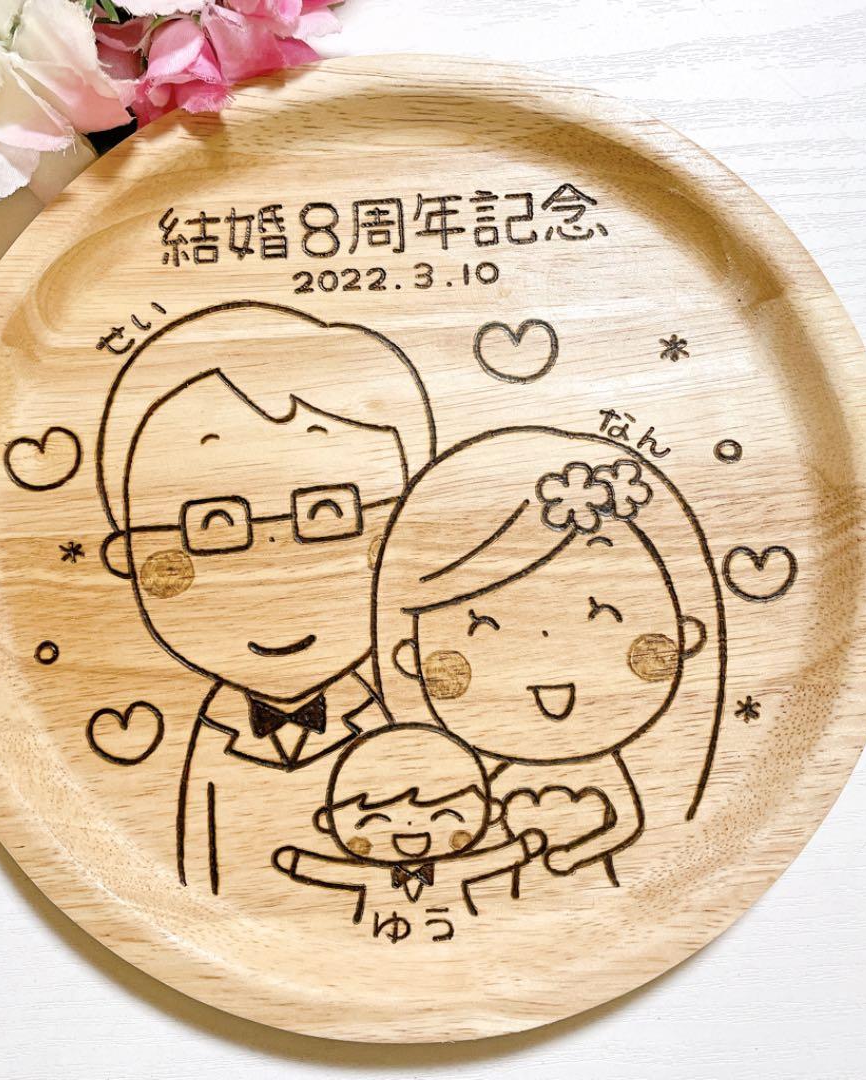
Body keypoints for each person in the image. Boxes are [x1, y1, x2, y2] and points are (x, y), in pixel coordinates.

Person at [96, 301, 435, 892]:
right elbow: (196, 874)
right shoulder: (215, 740)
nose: (278, 564)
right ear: (128, 557)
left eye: (329, 513)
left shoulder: (395, 728)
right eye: (214, 524)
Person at [374, 427, 718, 890]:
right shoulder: (492, 777)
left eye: (603, 616)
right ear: (411, 660)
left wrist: (574, 857)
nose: (546, 656)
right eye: (485, 628)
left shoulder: (599, 766)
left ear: (684, 636)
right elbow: (481, 831)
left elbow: (626, 824)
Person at [272, 724, 546, 938]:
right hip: (373, 947)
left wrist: (521, 849)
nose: (411, 831)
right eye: (376, 820)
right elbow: (333, 871)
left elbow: (488, 861)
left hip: (464, 943)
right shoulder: (371, 873)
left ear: (492, 812)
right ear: (328, 822)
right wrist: (298, 863)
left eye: (444, 817)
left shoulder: (453, 868)